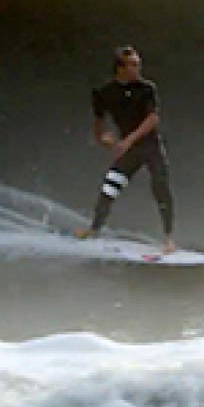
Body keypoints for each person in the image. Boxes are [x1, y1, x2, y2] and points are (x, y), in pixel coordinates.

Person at [75, 45, 176, 253]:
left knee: (161, 186)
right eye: (133, 65)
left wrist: (128, 141)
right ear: (120, 68)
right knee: (110, 186)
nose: (138, 68)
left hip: (150, 147)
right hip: (130, 151)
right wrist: (103, 138)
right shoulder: (105, 92)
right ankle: (94, 229)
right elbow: (99, 121)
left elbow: (153, 119)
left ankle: (169, 239)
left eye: (139, 64)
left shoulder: (147, 89)